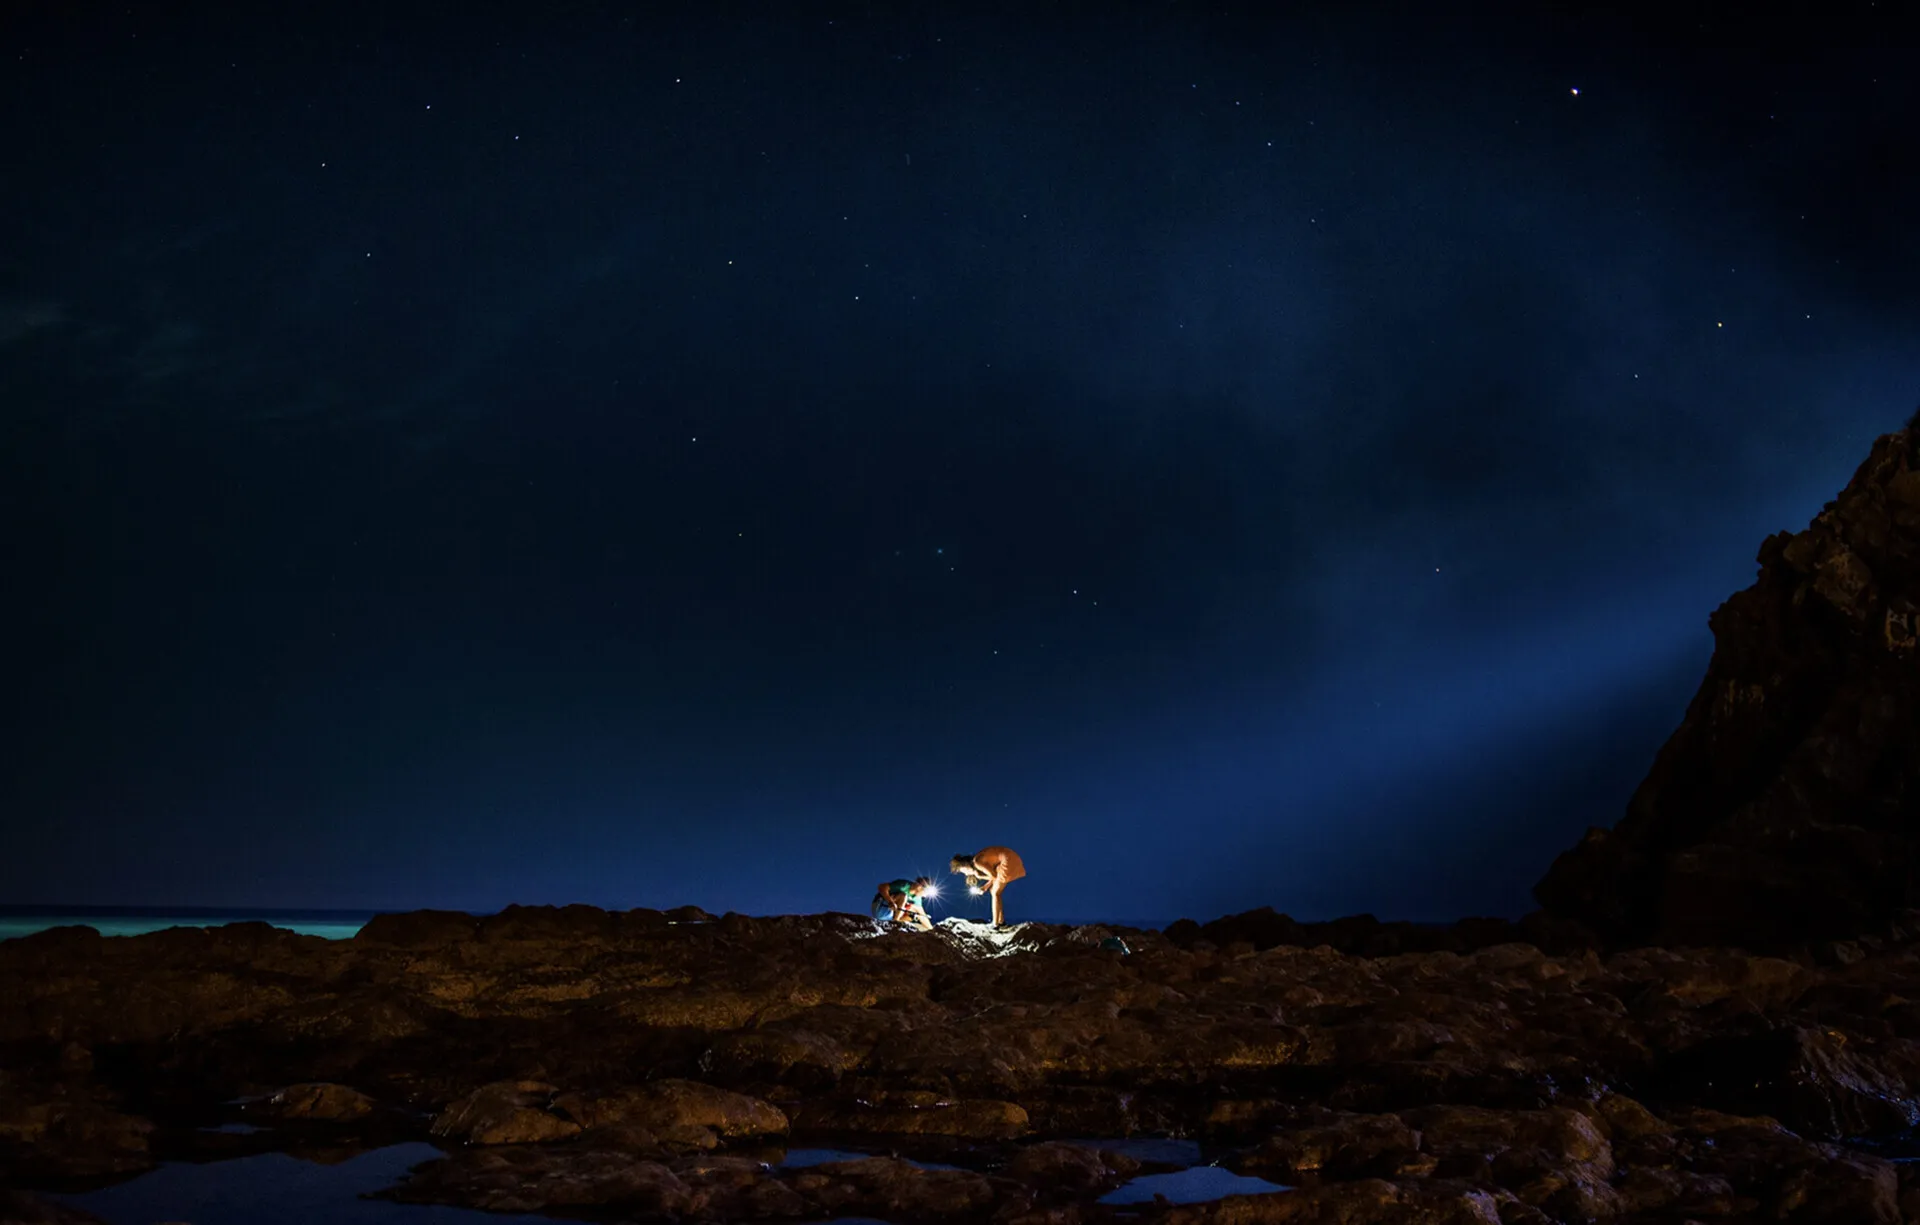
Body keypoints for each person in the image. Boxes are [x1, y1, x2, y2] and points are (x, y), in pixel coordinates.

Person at [950, 846, 1025, 927]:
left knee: (995, 892)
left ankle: (995, 924)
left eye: (963, 871)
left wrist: (981, 880)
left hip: (1008, 860)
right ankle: (1000, 921)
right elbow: (994, 876)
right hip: (1012, 858)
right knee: (995, 891)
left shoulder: (977, 862)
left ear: (966, 865)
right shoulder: (978, 861)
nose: (965, 874)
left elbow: (994, 875)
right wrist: (984, 885)